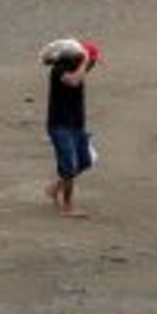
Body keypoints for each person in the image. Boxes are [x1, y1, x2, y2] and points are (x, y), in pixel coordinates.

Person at [45, 40, 102, 219]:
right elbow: (73, 82)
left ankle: (55, 188)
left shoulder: (77, 70)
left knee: (85, 161)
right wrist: (85, 62)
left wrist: (85, 64)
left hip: (76, 125)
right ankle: (68, 207)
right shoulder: (59, 69)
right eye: (92, 61)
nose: (93, 65)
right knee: (69, 166)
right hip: (60, 125)